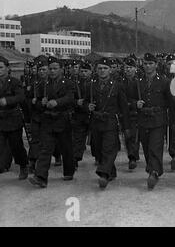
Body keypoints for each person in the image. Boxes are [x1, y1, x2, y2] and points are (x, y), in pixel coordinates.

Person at [29, 57, 75, 188]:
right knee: (45, 149)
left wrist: (57, 102)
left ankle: (69, 171)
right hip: (48, 120)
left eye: (55, 68)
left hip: (62, 119)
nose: (52, 71)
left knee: (66, 148)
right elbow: (36, 101)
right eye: (50, 68)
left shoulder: (68, 83)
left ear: (61, 69)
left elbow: (70, 97)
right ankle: (41, 177)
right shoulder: (44, 84)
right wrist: (40, 103)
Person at [133, 53, 175, 190]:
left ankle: (154, 172)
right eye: (145, 64)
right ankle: (152, 167)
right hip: (143, 119)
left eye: (151, 63)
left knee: (155, 146)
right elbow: (128, 100)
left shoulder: (164, 82)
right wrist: (135, 103)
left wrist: (174, 121)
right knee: (146, 147)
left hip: (158, 119)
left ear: (156, 65)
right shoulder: (137, 82)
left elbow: (172, 103)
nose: (148, 66)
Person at [85, 57, 131, 189]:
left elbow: (123, 108)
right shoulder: (91, 85)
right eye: (100, 68)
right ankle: (111, 170)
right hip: (96, 122)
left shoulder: (117, 86)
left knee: (108, 148)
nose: (102, 71)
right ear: (96, 70)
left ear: (110, 70)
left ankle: (104, 174)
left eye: (105, 68)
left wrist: (126, 126)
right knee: (98, 149)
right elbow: (85, 102)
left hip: (110, 121)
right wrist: (88, 106)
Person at [0, 55, 28, 180]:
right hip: (1, 119)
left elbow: (21, 97)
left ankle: (23, 165)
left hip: (12, 118)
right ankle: (3, 164)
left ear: (7, 68)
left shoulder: (15, 82)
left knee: (16, 145)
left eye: (0, 67)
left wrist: (8, 100)